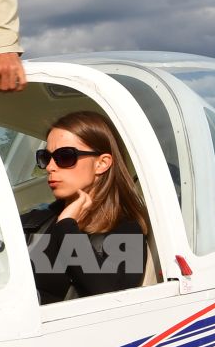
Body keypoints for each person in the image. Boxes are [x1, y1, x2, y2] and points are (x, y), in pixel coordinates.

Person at [24, 111, 150, 303]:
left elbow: (111, 298)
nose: (50, 167)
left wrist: (67, 225)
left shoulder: (126, 229)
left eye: (64, 156)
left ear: (102, 163)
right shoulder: (38, 221)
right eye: (46, 157)